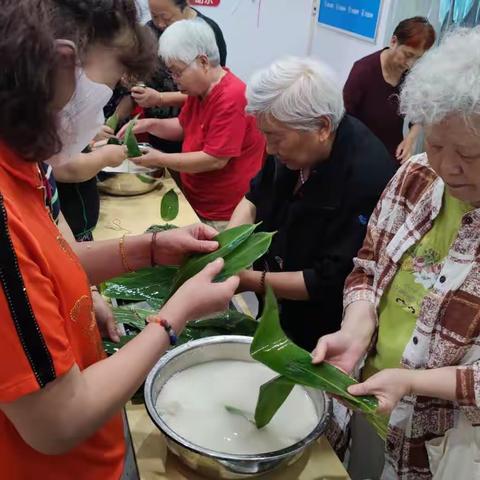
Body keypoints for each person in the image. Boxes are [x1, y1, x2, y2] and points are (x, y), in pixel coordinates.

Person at [0, 3, 238, 480]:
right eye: (106, 89)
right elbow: (57, 423)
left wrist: (147, 251)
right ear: (62, 68)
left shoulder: (23, 165)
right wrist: (175, 316)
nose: (102, 108)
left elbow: (54, 260)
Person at [314, 27, 480, 480]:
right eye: (439, 144)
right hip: (367, 397)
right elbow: (368, 266)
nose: (448, 166)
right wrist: (355, 330)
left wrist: (412, 381)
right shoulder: (417, 176)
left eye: (469, 153)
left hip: (443, 442)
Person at [228, 57, 396, 352]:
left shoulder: (367, 175)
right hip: (275, 300)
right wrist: (225, 251)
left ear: (322, 126)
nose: (268, 148)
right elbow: (253, 199)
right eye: (265, 136)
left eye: (275, 138)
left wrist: (248, 280)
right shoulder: (290, 145)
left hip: (322, 329)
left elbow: (328, 281)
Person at [120, 19, 265, 229]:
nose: (175, 80)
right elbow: (183, 127)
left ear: (203, 62)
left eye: (178, 72)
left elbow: (215, 160)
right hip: (197, 201)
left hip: (224, 214)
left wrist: (161, 159)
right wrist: (150, 124)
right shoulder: (199, 92)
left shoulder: (231, 97)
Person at [109, 0, 228, 154]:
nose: (159, 24)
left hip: (191, 130)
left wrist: (160, 98)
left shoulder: (204, 32)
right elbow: (139, 79)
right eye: (154, 16)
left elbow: (210, 90)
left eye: (166, 18)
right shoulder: (150, 30)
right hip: (159, 129)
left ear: (184, 5)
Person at [343, 17, 435, 162]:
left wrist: (410, 139)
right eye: (408, 55)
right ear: (393, 42)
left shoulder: (411, 75)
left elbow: (419, 112)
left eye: (417, 59)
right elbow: (344, 120)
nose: (410, 64)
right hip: (359, 154)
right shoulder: (363, 71)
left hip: (391, 155)